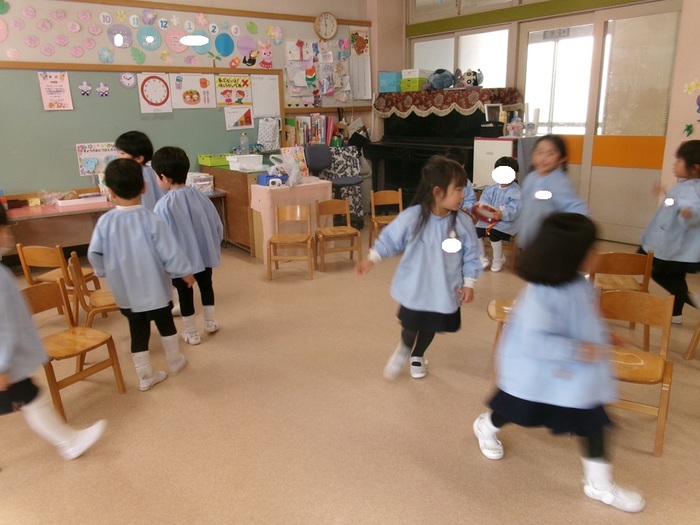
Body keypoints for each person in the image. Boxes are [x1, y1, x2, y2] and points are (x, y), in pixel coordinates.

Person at [473, 213, 645, 513]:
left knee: (592, 421)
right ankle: (485, 426)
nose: (596, 254)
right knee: (516, 411)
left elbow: (584, 320)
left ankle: (599, 484)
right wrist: (580, 350)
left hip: (572, 376)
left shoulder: (580, 283)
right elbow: (535, 341)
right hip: (534, 373)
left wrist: (605, 337)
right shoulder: (541, 294)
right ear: (569, 255)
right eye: (591, 249)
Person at [356, 155, 482, 379]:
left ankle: (417, 355)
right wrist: (372, 258)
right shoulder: (413, 217)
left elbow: (472, 254)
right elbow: (391, 239)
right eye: (458, 189)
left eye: (464, 189)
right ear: (437, 192)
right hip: (416, 285)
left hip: (444, 287)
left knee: (431, 325)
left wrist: (469, 283)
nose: (463, 195)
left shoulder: (462, 222)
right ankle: (404, 348)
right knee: (411, 324)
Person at [0, 205, 106, 460]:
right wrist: (2, 366)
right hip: (5, 363)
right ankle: (69, 442)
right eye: (3, 229)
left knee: (28, 398)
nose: (8, 235)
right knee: (31, 398)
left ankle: (69, 441)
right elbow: (4, 326)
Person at [88, 158, 194, 392]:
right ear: (144, 188)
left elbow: (94, 253)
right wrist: (184, 272)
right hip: (156, 291)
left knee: (138, 331)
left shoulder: (105, 222)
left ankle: (145, 375)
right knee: (166, 324)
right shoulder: (152, 219)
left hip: (126, 294)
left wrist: (104, 271)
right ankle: (175, 361)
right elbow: (170, 252)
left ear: (110, 192)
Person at [152, 146, 224, 345]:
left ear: (165, 178)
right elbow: (217, 224)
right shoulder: (201, 196)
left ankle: (192, 334)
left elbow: (160, 238)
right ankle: (210, 322)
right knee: (206, 286)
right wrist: (213, 246)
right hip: (205, 255)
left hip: (181, 263)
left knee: (185, 295)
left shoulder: (163, 205)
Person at [639, 139, 700, 324]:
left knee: (653, 270)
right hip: (673, 244)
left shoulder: (693, 189)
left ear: (695, 168)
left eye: (679, 161)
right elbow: (675, 202)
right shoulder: (684, 184)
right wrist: (666, 193)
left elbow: (692, 209)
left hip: (673, 243)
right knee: (675, 276)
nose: (675, 165)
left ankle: (691, 300)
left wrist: (689, 214)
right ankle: (676, 313)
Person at [517, 134, 589, 249]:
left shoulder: (559, 182)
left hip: (548, 244)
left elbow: (576, 208)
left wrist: (582, 233)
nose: (543, 158)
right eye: (539, 152)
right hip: (529, 239)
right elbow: (524, 204)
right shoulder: (531, 177)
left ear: (562, 158)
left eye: (550, 153)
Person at [474, 156, 521, 272]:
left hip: (507, 222)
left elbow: (515, 209)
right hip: (489, 220)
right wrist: (482, 211)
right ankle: (482, 257)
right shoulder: (490, 189)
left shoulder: (516, 192)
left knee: (494, 233)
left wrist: (502, 215)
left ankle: (498, 259)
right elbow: (483, 203)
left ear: (515, 174)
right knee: (476, 231)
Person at [115, 130, 165, 212]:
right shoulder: (144, 171)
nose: (118, 156)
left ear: (138, 158)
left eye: (122, 153)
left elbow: (148, 203)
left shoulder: (143, 174)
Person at [445, 148, 477, 214]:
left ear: (463, 166)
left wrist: (466, 208)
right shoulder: (439, 180)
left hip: (459, 214)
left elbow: (470, 200)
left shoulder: (466, 182)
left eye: (458, 168)